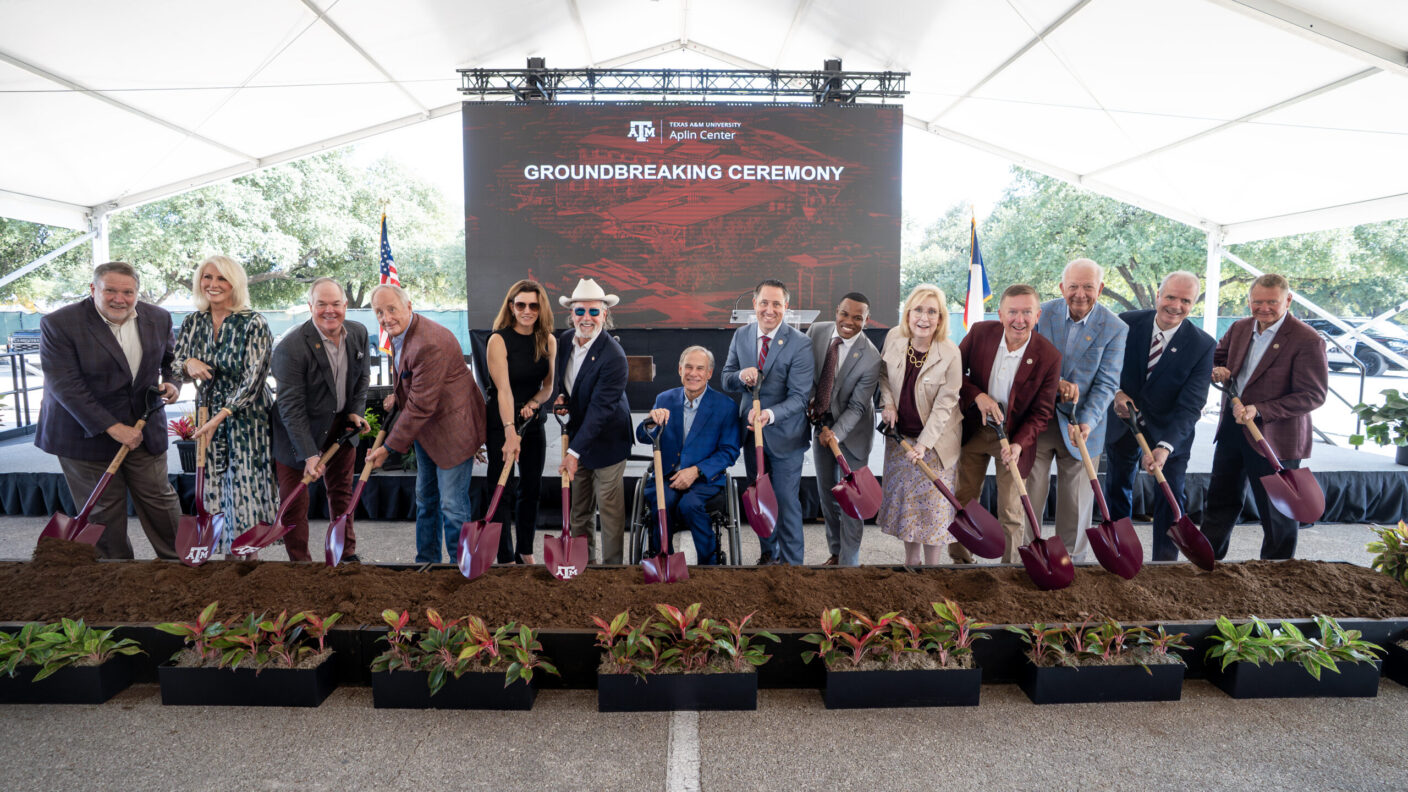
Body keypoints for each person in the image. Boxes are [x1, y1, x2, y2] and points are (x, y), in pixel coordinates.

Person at [35, 261, 182, 560]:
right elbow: (66, 386)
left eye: (128, 292)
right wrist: (113, 428)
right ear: (93, 289)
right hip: (83, 432)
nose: (120, 298)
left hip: (143, 427)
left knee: (160, 499)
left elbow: (172, 359)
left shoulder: (159, 317)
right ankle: (116, 573)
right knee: (103, 509)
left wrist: (172, 382)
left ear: (137, 292)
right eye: (110, 290)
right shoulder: (59, 324)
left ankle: (179, 563)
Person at [1202, 273, 1328, 560]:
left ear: (1288, 300)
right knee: (1221, 499)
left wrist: (1260, 410)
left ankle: (1277, 570)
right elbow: (1217, 357)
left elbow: (1313, 395)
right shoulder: (1240, 327)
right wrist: (1219, 369)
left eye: (1272, 302)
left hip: (1274, 437)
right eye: (1257, 302)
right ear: (1249, 301)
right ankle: (1207, 563)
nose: (1264, 308)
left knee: (1277, 511)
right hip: (1233, 429)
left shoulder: (1306, 339)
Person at [365, 284, 486, 564]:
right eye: (379, 312)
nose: (385, 317)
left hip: (452, 431)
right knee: (425, 498)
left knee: (452, 504)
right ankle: (427, 562)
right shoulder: (403, 333)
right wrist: (398, 394)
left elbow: (421, 404)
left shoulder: (429, 342)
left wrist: (388, 447)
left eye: (391, 309)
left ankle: (462, 568)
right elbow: (412, 378)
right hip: (426, 430)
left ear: (409, 306)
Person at [1104, 271, 1214, 562]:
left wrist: (1165, 446)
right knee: (1117, 488)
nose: (1176, 305)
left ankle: (1164, 564)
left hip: (1170, 432)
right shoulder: (1126, 322)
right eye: (1170, 297)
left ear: (1194, 304)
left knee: (1170, 496)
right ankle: (1120, 552)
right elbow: (1106, 366)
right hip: (1122, 422)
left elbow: (1191, 405)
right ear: (1158, 296)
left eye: (1185, 300)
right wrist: (1115, 393)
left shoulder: (1202, 345)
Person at [175, 254, 277, 556]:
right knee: (212, 477)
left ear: (235, 283)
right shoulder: (193, 321)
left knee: (245, 481)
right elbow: (175, 362)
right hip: (207, 407)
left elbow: (254, 378)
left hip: (247, 415)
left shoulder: (254, 322)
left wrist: (222, 415)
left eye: (221, 278)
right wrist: (188, 363)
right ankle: (216, 549)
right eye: (207, 277)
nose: (213, 284)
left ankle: (247, 556)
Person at [1027, 258, 1128, 562]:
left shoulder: (1115, 327)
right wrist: (1054, 382)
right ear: (1061, 287)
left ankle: (1069, 567)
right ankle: (1024, 559)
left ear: (1101, 288)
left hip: (1083, 428)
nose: (1080, 294)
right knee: (1028, 499)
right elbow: (1026, 360)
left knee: (1076, 505)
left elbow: (1108, 383)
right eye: (1073, 286)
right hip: (1040, 420)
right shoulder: (1041, 314)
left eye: (1088, 287)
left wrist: (1086, 422)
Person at [952, 284, 1061, 563]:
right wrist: (977, 396)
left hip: (1013, 438)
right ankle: (961, 561)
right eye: (1012, 312)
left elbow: (1042, 412)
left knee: (1012, 510)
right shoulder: (979, 333)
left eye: (1027, 312)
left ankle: (1010, 569)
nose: (1019, 319)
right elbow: (953, 373)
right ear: (1000, 314)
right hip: (975, 430)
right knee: (963, 498)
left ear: (1038, 315)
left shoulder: (1049, 356)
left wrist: (1019, 445)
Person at [270, 278, 371, 563]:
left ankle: (344, 553)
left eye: (336, 304)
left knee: (342, 491)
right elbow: (290, 405)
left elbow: (362, 377)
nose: (330, 310)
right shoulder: (291, 347)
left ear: (345, 305)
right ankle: (300, 562)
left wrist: (355, 410)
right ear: (310, 306)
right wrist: (309, 454)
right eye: (322, 304)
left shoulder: (358, 332)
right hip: (297, 431)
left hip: (340, 425)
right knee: (295, 501)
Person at [722, 279, 814, 565]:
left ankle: (792, 566)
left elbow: (800, 398)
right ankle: (768, 556)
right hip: (752, 438)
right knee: (760, 499)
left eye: (776, 304)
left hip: (786, 437)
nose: (769, 309)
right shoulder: (741, 336)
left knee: (786, 503)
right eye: (764, 302)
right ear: (754, 304)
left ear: (786, 307)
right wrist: (740, 376)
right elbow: (726, 378)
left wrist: (769, 415)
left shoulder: (800, 344)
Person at [877, 285, 963, 566]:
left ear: (940, 318)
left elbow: (944, 406)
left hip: (935, 444)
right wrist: (888, 403)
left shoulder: (950, 352)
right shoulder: (894, 337)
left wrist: (924, 444)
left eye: (932, 311)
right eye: (918, 310)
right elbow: (883, 375)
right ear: (908, 313)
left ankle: (933, 570)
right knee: (909, 509)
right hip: (901, 440)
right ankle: (911, 566)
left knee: (934, 512)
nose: (924, 318)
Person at [635, 346, 742, 564]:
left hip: (704, 479)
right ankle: (664, 560)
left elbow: (729, 452)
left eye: (700, 368)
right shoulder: (664, 399)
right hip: (667, 476)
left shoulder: (725, 406)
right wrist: (651, 421)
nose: (693, 373)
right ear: (680, 370)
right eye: (689, 367)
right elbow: (644, 437)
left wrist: (696, 471)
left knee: (689, 505)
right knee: (662, 500)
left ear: (709, 373)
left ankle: (708, 561)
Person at [552, 278, 633, 564]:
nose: (587, 318)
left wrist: (573, 453)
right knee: (579, 509)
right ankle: (582, 566)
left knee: (609, 511)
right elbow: (568, 383)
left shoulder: (613, 356)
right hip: (579, 434)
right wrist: (563, 398)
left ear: (605, 315)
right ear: (571, 313)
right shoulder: (563, 341)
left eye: (594, 312)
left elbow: (601, 410)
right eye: (581, 311)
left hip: (609, 438)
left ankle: (611, 570)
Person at [808, 293, 882, 566]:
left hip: (852, 433)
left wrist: (836, 433)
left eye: (858, 317)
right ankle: (836, 553)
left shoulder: (871, 358)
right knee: (827, 495)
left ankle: (849, 564)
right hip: (821, 425)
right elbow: (808, 375)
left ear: (866, 319)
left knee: (850, 502)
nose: (849, 322)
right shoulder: (816, 331)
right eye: (845, 314)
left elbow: (858, 407)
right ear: (836, 310)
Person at [486, 280, 556, 565]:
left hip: (532, 420)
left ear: (541, 309)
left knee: (532, 486)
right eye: (521, 305)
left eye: (533, 305)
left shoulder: (548, 340)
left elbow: (548, 386)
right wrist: (510, 432)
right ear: (511, 307)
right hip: (502, 421)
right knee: (501, 486)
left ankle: (524, 550)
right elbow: (503, 389)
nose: (527, 310)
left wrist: (534, 403)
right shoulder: (498, 340)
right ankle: (504, 556)